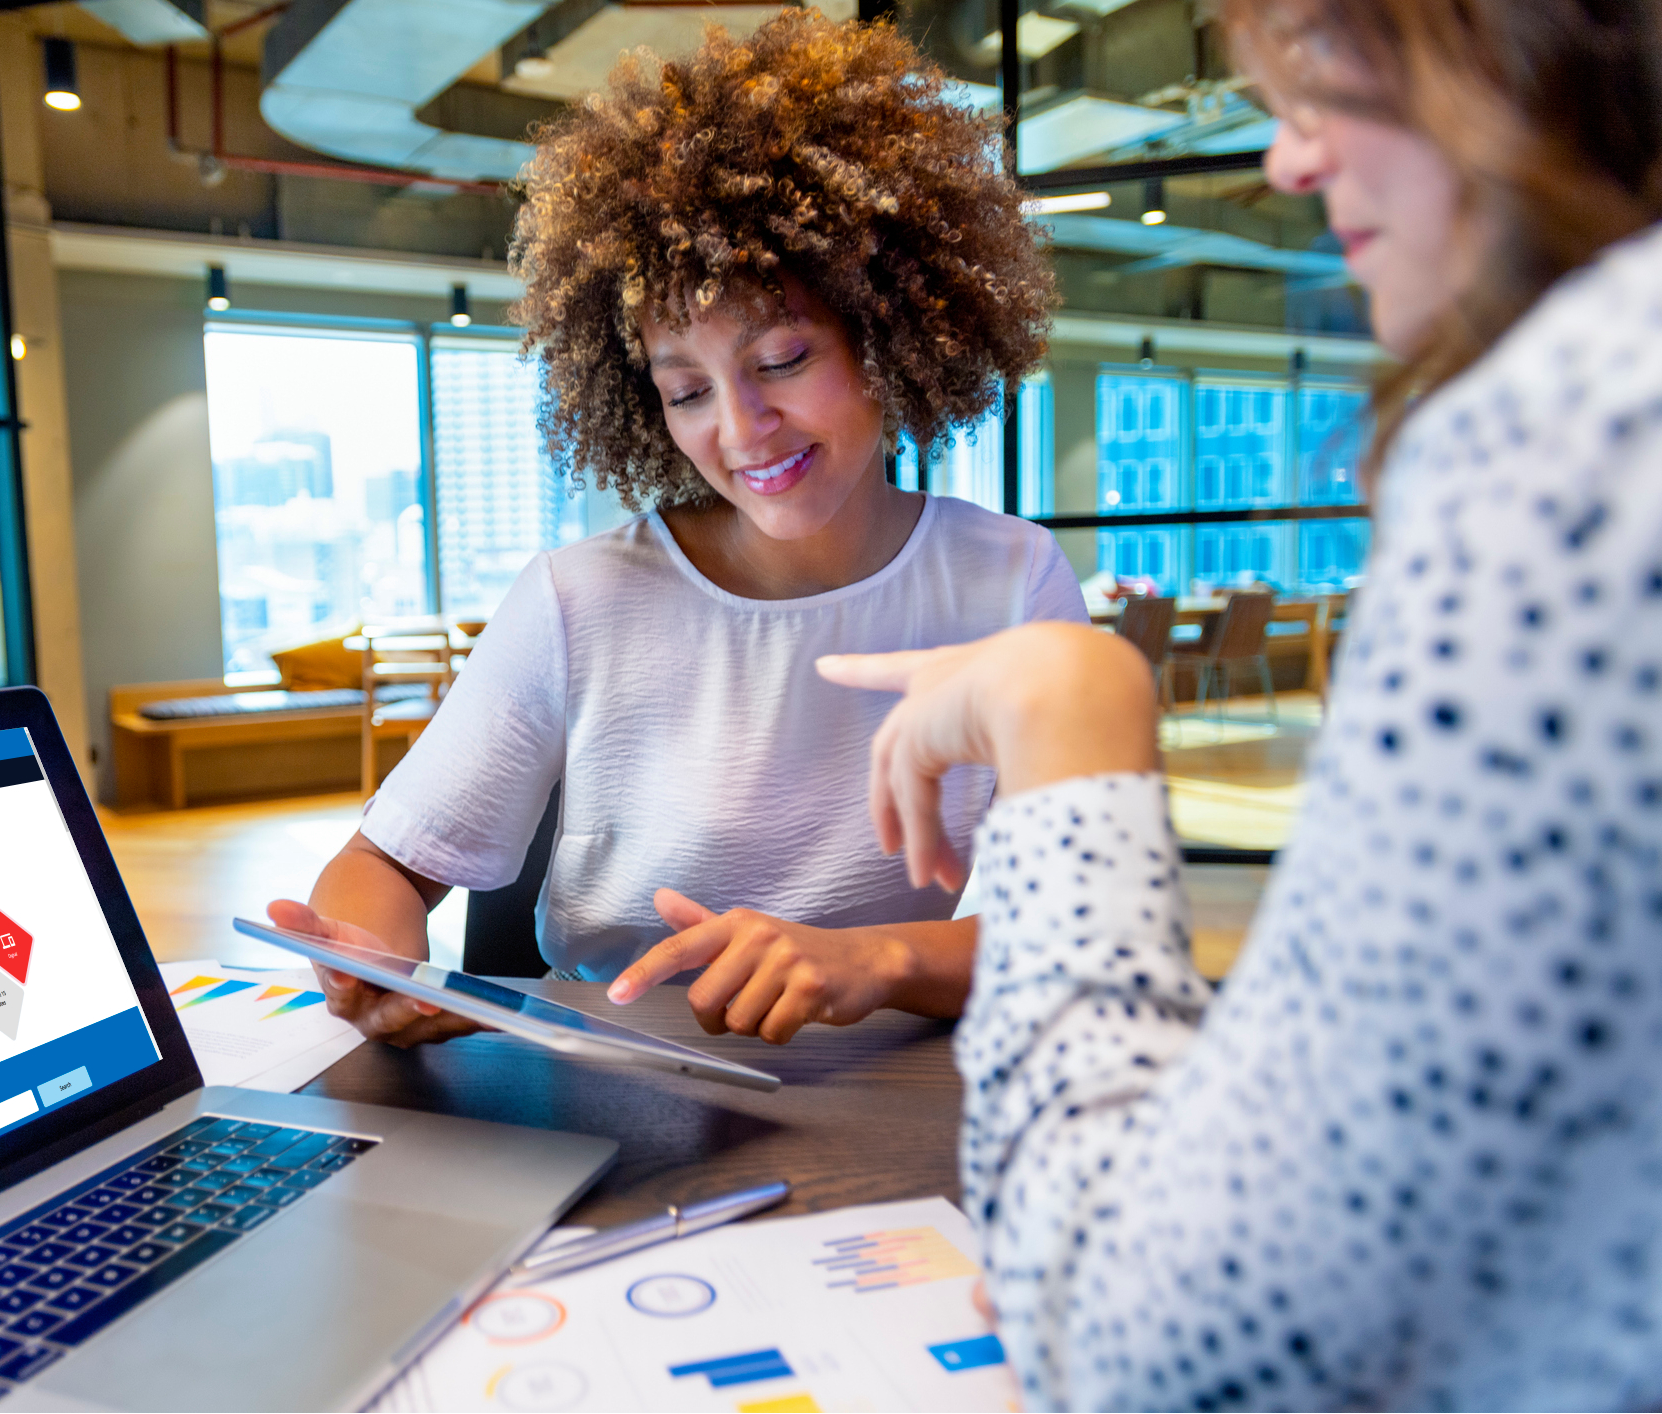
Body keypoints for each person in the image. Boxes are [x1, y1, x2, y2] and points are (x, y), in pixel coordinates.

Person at [815, 0, 1662, 1406]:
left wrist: (1062, 714)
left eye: (1326, 73)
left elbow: (1159, 1347)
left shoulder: (1571, 447)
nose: (1286, 159)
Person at [272, 11, 1081, 1048]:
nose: (741, 431)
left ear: (892, 332)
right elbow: (384, 865)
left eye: (783, 361)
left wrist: (871, 961)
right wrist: (371, 957)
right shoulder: (579, 599)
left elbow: (1066, 930)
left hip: (912, 1107)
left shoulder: (1011, 582)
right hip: (614, 1094)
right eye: (686, 388)